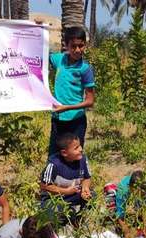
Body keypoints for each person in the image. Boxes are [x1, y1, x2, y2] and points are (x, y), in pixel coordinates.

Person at [48, 26, 95, 155]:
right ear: (66, 45)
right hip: (57, 120)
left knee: (74, 157)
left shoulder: (85, 69)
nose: (78, 50)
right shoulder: (59, 60)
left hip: (76, 122)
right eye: (73, 46)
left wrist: (66, 108)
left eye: (81, 46)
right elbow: (41, 51)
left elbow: (90, 101)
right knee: (54, 157)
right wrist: (37, 28)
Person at [40, 133, 92, 220]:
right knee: (51, 214)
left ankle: (79, 220)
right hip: (55, 199)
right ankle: (66, 217)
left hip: (73, 194)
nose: (81, 149)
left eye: (80, 146)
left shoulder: (82, 159)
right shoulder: (54, 164)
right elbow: (44, 186)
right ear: (64, 153)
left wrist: (85, 188)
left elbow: (87, 177)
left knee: (91, 196)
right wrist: (66, 191)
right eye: (76, 148)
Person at [115, 170, 146, 238]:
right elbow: (120, 214)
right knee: (113, 208)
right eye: (136, 192)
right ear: (130, 187)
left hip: (142, 198)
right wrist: (126, 231)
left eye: (142, 193)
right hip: (126, 192)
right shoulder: (123, 190)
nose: (139, 194)